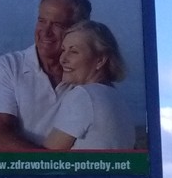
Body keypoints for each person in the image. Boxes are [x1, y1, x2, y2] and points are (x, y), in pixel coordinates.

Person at [0, 0, 91, 150]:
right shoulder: (9, 66)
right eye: (41, 21)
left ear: (79, 29)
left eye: (57, 24)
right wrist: (51, 166)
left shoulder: (89, 73)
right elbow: (0, 138)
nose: (45, 31)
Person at [43, 21, 135, 150]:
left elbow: (45, 160)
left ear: (100, 60)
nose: (63, 58)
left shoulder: (84, 95)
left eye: (74, 52)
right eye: (63, 50)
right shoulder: (118, 100)